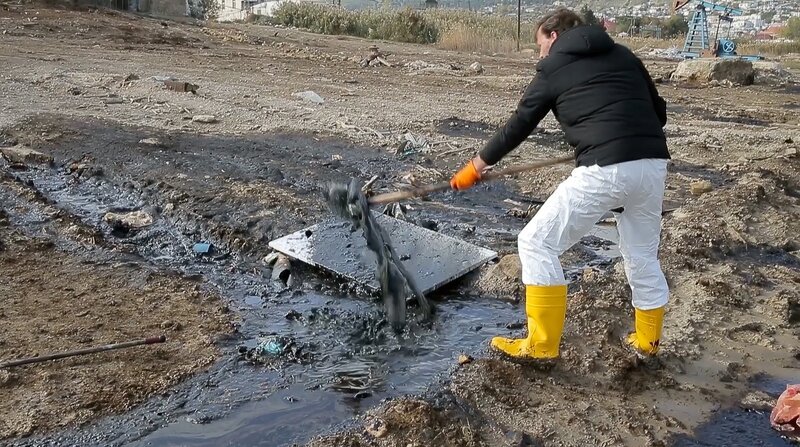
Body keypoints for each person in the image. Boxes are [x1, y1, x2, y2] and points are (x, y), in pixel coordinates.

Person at [449, 8, 670, 362]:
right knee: (642, 255)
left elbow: (520, 123)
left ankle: (541, 346)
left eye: (540, 44)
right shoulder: (625, 55)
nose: (539, 54)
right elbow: (658, 113)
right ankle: (648, 341)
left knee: (536, 243)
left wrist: (476, 166)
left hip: (606, 168)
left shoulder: (553, 66)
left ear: (553, 35)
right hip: (652, 164)